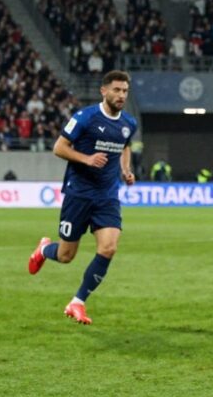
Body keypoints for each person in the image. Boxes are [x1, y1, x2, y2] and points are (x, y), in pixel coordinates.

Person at [27, 70, 138, 325]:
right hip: (79, 193)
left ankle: (77, 302)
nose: (121, 95)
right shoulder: (86, 117)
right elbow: (59, 147)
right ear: (104, 90)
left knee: (109, 248)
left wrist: (125, 169)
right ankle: (44, 249)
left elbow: (125, 145)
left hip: (107, 196)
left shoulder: (129, 123)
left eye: (125, 91)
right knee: (66, 255)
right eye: (117, 90)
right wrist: (87, 158)